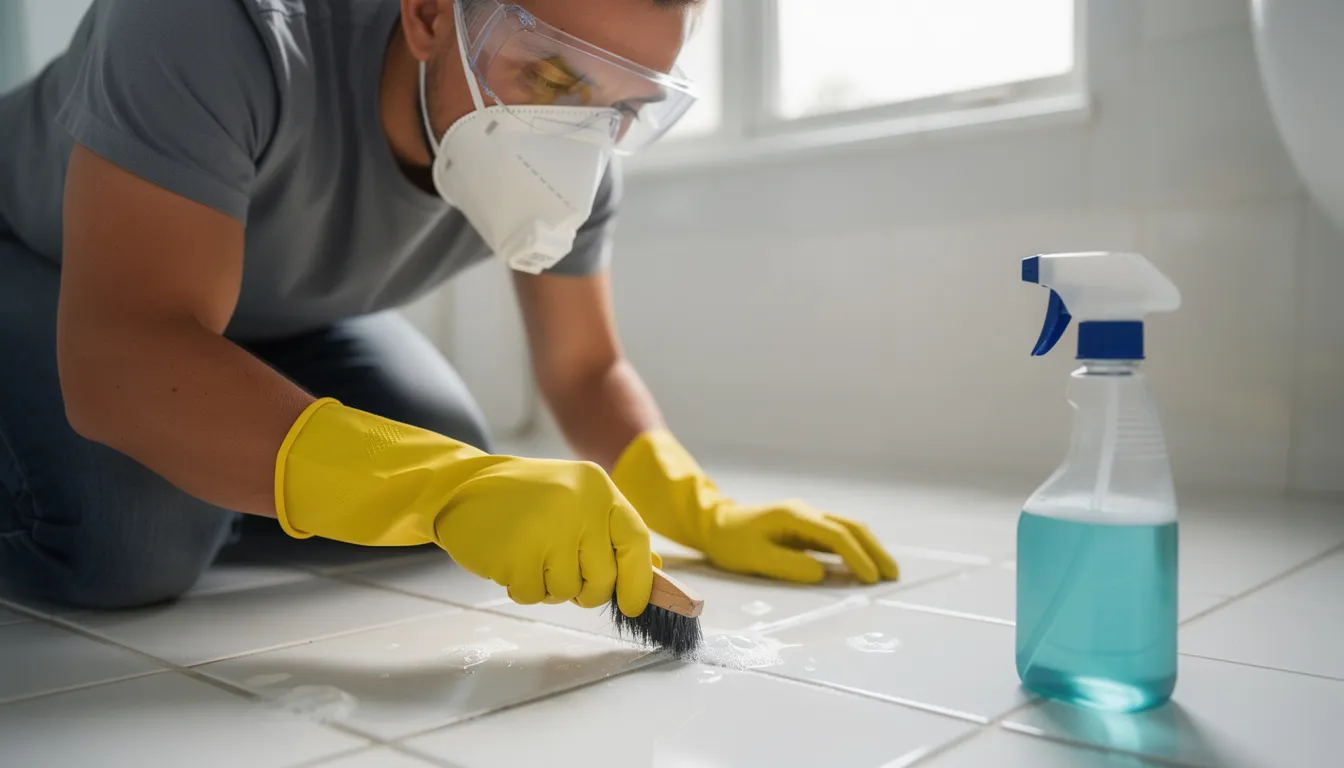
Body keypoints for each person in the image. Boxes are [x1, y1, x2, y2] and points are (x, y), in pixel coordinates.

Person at [0, 0, 898, 616]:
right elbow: (125, 350)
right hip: (50, 260)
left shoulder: (576, 157)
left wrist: (696, 507)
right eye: (553, 77)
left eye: (627, 106)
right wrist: (428, 487)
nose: (582, 138)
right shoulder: (221, 26)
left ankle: (205, 471)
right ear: (430, 13)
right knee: (134, 544)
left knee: (442, 469)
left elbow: (584, 367)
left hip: (279, 310)